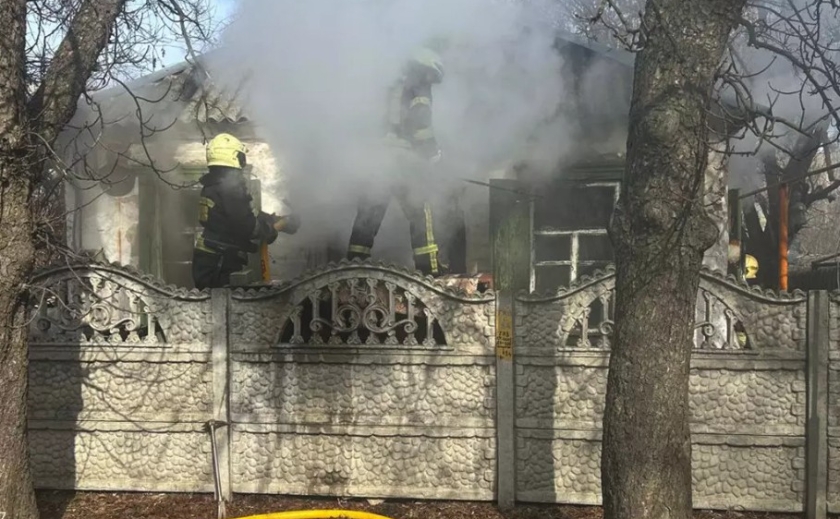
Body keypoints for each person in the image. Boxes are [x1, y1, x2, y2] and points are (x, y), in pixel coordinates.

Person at [346, 45, 446, 276]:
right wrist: (433, 153)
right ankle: (428, 271)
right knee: (420, 212)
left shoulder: (392, 88)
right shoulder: (419, 88)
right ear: (424, 68)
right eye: (431, 75)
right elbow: (420, 125)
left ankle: (353, 266)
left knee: (369, 214)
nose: (431, 82)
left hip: (378, 160)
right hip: (402, 161)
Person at [192, 133, 300, 290]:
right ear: (233, 157)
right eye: (241, 157)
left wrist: (273, 219)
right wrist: (278, 226)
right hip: (219, 264)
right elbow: (249, 228)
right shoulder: (230, 189)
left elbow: (245, 215)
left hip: (211, 261)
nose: (243, 164)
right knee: (225, 303)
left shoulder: (215, 185)